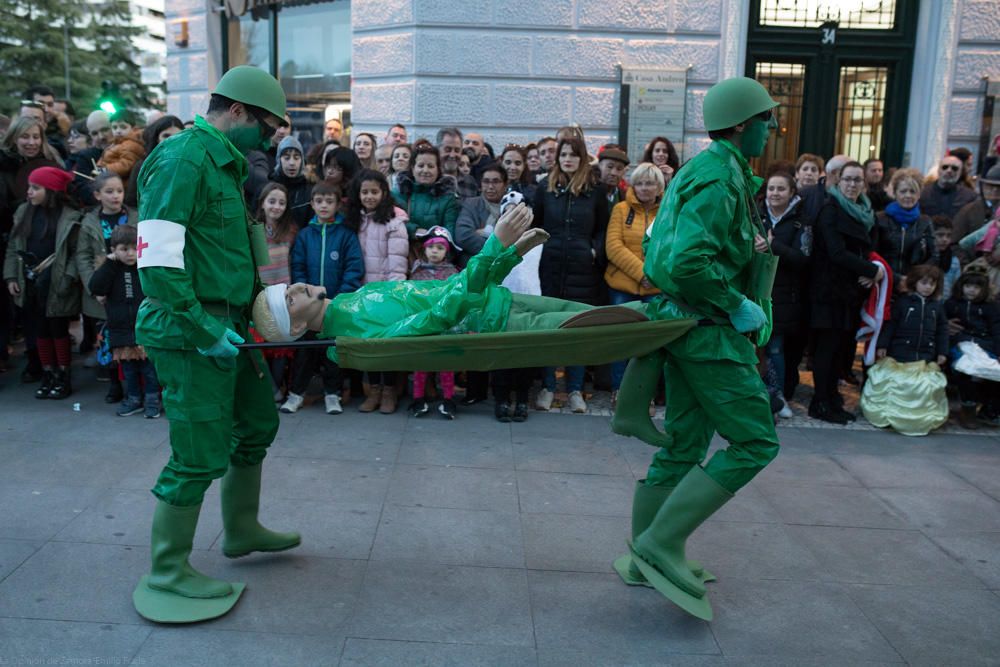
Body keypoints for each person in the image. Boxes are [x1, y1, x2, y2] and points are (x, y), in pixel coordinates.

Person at [131, 65, 299, 624]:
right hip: (190, 331)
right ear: (238, 112)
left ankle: (241, 529)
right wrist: (204, 331)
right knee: (197, 454)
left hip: (230, 325)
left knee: (255, 426)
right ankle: (168, 570)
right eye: (269, 127)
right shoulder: (183, 158)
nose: (273, 138)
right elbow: (156, 264)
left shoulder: (226, 164)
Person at [609, 78, 781, 622]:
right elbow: (686, 263)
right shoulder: (718, 178)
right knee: (755, 441)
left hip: (687, 326)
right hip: (708, 331)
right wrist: (735, 303)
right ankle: (661, 544)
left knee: (684, 443)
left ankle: (645, 556)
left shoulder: (712, 171)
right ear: (739, 124)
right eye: (765, 119)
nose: (771, 128)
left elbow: (681, 249)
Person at [533, 135, 609, 414]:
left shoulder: (594, 190)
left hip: (582, 269)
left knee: (578, 328)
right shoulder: (545, 188)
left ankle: (575, 389)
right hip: (550, 266)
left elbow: (603, 228)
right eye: (563, 154)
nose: (567, 159)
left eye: (573, 155)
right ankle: (548, 386)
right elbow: (536, 223)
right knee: (551, 327)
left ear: (582, 158)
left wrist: (594, 250)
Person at [808, 161, 883, 424]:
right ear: (838, 180)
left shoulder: (864, 210)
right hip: (828, 291)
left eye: (857, 180)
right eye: (848, 179)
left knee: (840, 349)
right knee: (826, 350)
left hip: (850, 291)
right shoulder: (830, 208)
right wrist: (871, 270)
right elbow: (836, 252)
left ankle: (832, 398)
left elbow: (866, 246)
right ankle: (821, 402)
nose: (852, 185)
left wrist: (869, 267)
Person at [282, 180, 363, 416]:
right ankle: (296, 395)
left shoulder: (346, 235)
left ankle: (332, 394)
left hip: (335, 305)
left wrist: (338, 298)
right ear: (313, 204)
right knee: (305, 352)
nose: (324, 206)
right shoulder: (306, 235)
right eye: (319, 201)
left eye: (329, 201)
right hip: (309, 309)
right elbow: (297, 266)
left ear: (338, 204)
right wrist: (306, 297)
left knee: (332, 352)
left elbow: (353, 267)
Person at [3, 166, 81, 400]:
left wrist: (68, 277)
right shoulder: (23, 212)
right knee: (38, 330)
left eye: (35, 188)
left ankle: (63, 375)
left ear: (52, 190)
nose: (29, 192)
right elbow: (13, 249)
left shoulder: (69, 217)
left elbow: (76, 253)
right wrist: (11, 277)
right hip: (30, 283)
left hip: (57, 283)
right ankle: (48, 373)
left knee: (57, 329)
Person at [348, 168, 409, 413]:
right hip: (362, 292)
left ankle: (389, 392)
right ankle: (372, 391)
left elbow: (397, 261)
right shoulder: (355, 219)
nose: (370, 196)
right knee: (369, 344)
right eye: (365, 192)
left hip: (386, 293)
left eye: (375, 191)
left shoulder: (394, 220)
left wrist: (393, 293)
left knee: (388, 344)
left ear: (384, 192)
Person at [603, 162, 663, 406]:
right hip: (623, 288)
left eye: (650, 183)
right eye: (640, 182)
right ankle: (619, 390)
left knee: (649, 345)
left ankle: (643, 393)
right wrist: (642, 274)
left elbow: (669, 248)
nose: (645, 188)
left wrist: (654, 276)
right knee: (621, 341)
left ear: (659, 187)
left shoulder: (668, 212)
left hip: (656, 289)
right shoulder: (620, 209)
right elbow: (613, 247)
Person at [862, 265, 948, 436]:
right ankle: (891, 416)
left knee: (922, 388)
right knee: (899, 385)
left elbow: (942, 330)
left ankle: (919, 418)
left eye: (932, 284)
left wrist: (942, 351)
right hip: (900, 354)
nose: (928, 287)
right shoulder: (903, 303)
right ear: (914, 282)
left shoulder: (937, 307)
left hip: (924, 355)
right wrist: (883, 345)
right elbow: (891, 325)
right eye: (924, 283)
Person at [76, 169, 137, 402]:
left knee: (132, 335)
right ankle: (113, 383)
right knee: (107, 338)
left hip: (131, 285)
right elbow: (82, 256)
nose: (115, 196)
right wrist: (94, 286)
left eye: (119, 191)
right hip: (104, 285)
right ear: (97, 195)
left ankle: (137, 384)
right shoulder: (90, 222)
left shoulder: (135, 217)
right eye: (109, 192)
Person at [88, 225, 162, 418]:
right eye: (124, 249)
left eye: (134, 248)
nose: (130, 254)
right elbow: (95, 287)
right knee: (129, 370)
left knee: (149, 370)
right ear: (113, 251)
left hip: (145, 329)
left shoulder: (146, 267)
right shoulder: (112, 270)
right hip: (120, 330)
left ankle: (153, 400)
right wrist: (109, 263)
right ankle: (134, 399)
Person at [759, 171, 810, 411]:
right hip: (756, 289)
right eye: (771, 188)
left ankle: (779, 397)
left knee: (776, 348)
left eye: (781, 189)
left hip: (784, 295)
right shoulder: (756, 216)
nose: (775, 193)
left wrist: (773, 245)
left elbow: (803, 259)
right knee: (756, 347)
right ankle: (759, 395)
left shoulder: (801, 221)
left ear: (791, 193)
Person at [407, 226, 463, 419]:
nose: (435, 251)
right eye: (431, 247)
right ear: (425, 249)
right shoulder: (417, 272)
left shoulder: (452, 274)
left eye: (440, 248)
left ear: (446, 251)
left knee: (445, 364)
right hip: (423, 323)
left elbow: (457, 298)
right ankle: (418, 399)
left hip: (445, 325)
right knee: (420, 363)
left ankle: (448, 399)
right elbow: (411, 297)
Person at [253, 181, 298, 402]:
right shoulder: (253, 230)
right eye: (272, 201)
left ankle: (279, 387)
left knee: (281, 344)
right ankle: (268, 390)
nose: (276, 207)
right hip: (260, 295)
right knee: (258, 345)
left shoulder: (290, 230)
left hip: (283, 295)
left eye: (281, 202)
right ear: (262, 204)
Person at [945, 264, 1000, 428]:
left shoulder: (990, 308)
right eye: (968, 286)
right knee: (965, 370)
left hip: (985, 345)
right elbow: (941, 323)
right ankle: (967, 409)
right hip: (960, 344)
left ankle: (990, 410)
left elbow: (997, 330)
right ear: (961, 286)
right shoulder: (952, 304)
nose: (971, 290)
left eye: (977, 287)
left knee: (994, 373)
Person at [876, 168, 934, 287]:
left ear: (919, 195)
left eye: (912, 191)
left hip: (913, 284)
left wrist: (913, 279)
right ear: (895, 193)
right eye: (903, 191)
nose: (908, 195)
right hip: (883, 280)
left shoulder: (925, 221)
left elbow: (933, 255)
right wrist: (896, 278)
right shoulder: (880, 218)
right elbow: (873, 252)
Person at [393, 144, 461, 240]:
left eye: (430, 166)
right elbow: (393, 221)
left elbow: (449, 232)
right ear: (412, 168)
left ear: (438, 169)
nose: (425, 170)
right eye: (420, 166)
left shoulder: (448, 198)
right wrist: (414, 230)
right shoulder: (399, 193)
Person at [125, 115, 184, 209]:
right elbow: (132, 201)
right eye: (166, 136)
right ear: (157, 138)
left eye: (177, 136)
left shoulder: (189, 166)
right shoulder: (143, 167)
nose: (171, 140)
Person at [455, 162, 507, 261]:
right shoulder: (471, 204)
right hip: (472, 264)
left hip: (503, 267)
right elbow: (463, 236)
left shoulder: (510, 208)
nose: (490, 186)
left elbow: (515, 241)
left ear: (505, 185)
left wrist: (479, 233)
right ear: (480, 184)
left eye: (496, 181)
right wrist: (497, 247)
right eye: (486, 181)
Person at [952, 163, 1000, 261]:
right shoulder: (969, 210)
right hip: (973, 265)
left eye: (998, 186)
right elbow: (955, 243)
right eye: (990, 185)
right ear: (983, 186)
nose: (994, 190)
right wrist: (966, 264)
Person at [269, 135, 312, 227]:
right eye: (286, 158)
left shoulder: (309, 191)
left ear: (302, 161)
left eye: (296, 158)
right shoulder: (268, 188)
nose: (292, 163)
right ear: (278, 160)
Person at [920, 154, 977, 220]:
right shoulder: (923, 193)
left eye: (954, 168)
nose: (949, 171)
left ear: (960, 172)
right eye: (945, 167)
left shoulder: (970, 197)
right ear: (938, 170)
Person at [97, 110, 145, 182]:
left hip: (123, 185)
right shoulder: (115, 143)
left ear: (133, 128)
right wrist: (98, 167)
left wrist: (105, 169)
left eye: (123, 127)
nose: (118, 131)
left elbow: (126, 165)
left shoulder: (131, 144)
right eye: (115, 127)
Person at [931, 216, 961, 298]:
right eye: (940, 235)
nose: (945, 239)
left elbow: (956, 287)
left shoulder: (954, 261)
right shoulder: (923, 257)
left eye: (948, 236)